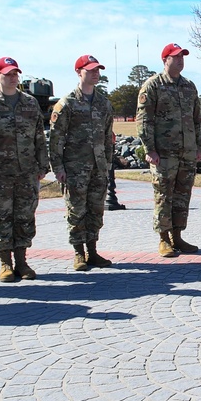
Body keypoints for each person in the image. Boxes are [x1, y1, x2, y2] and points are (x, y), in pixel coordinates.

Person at [0, 57, 50, 282]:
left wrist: (43, 165)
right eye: (8, 74)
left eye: (15, 74)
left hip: (26, 171)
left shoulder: (30, 103)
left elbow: (38, 137)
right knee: (1, 217)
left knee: (24, 217)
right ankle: (5, 263)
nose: (13, 78)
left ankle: (22, 262)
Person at [48, 54, 115, 271]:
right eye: (91, 70)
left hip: (98, 168)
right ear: (79, 72)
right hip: (75, 168)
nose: (96, 73)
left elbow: (107, 137)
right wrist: (57, 168)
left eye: (98, 70)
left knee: (95, 210)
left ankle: (93, 251)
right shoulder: (67, 104)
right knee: (76, 210)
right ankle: (78, 253)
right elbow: (56, 139)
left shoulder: (104, 103)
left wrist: (107, 165)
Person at [137, 43, 201, 257]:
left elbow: (196, 120)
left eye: (182, 56)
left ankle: (178, 236)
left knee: (183, 195)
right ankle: (164, 239)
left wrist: (198, 147)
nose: (180, 60)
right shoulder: (153, 86)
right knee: (163, 196)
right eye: (175, 57)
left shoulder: (189, 86)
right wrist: (150, 149)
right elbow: (144, 120)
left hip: (186, 152)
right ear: (165, 60)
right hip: (163, 154)